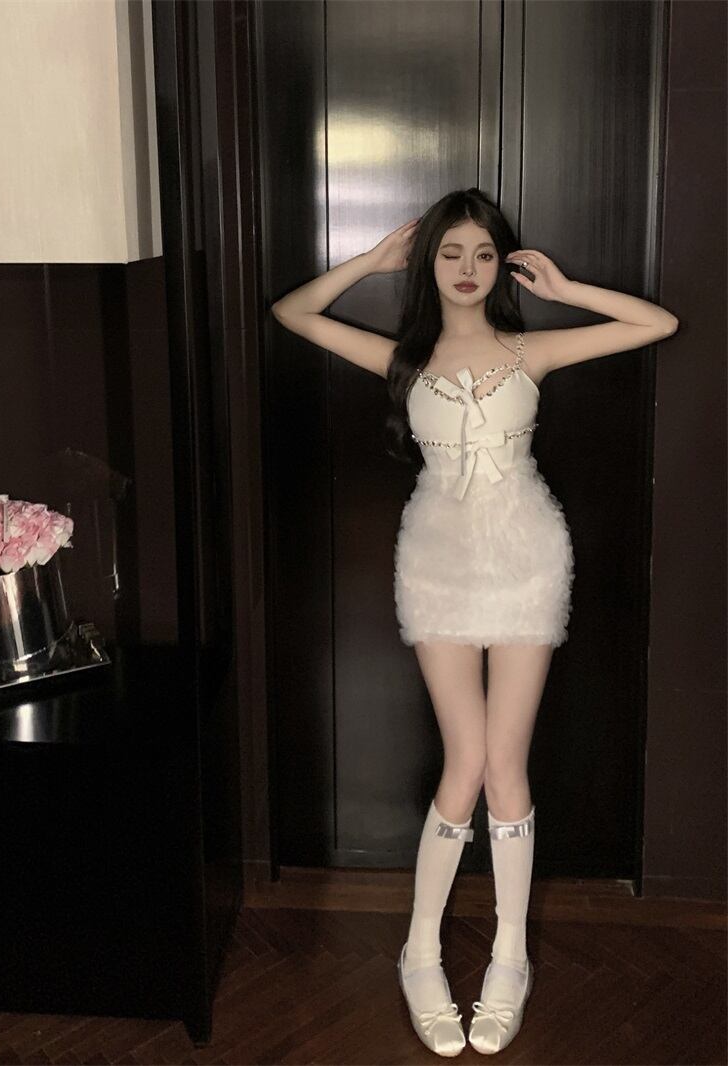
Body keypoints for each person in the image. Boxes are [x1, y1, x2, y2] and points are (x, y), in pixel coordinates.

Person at [271, 188, 678, 1056]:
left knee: (504, 768)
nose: (466, 269)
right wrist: (371, 261)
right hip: (436, 566)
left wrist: (565, 289)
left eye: (483, 254)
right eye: (450, 253)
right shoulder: (401, 360)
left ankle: (509, 958)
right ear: (429, 264)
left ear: (501, 265)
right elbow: (293, 313)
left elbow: (657, 324)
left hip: (528, 560)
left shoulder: (533, 350)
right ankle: (419, 953)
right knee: (463, 763)